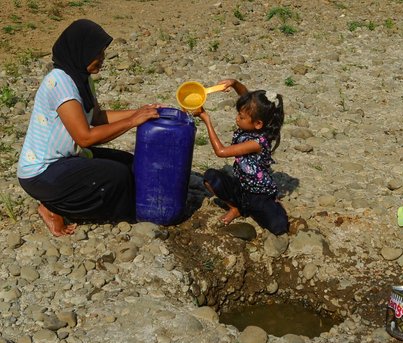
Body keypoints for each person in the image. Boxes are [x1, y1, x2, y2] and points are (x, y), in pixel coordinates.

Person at [17, 19, 161, 237]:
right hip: (41, 172)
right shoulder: (60, 82)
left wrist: (141, 112)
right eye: (98, 53)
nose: (102, 59)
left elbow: (97, 117)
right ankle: (53, 207)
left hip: (66, 159)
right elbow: (85, 137)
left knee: (129, 163)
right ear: (81, 51)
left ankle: (64, 200)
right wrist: (133, 122)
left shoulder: (81, 79)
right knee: (117, 176)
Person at [195, 78, 289, 235]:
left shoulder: (258, 142)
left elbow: (221, 152)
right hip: (241, 185)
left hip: (257, 194)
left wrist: (207, 120)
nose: (237, 118)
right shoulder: (254, 121)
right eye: (239, 113)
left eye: (242, 116)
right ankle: (236, 208)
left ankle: (271, 204)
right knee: (211, 178)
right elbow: (245, 95)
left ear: (258, 124)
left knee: (279, 227)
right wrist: (234, 83)